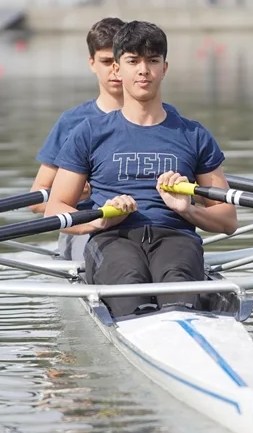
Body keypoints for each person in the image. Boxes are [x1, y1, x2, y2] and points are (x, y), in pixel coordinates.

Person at [45, 21, 238, 317]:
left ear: (165, 68)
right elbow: (54, 209)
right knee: (130, 285)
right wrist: (100, 221)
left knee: (177, 288)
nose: (143, 70)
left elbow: (228, 220)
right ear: (118, 70)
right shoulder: (89, 132)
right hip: (112, 238)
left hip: (176, 237)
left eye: (152, 60)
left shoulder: (193, 134)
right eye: (133, 61)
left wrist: (187, 210)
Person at [30, 17, 179, 262]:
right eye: (106, 61)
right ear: (92, 63)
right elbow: (37, 199)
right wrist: (81, 197)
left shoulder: (169, 118)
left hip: (156, 226)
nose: (114, 71)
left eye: (119, 61)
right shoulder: (74, 123)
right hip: (91, 228)